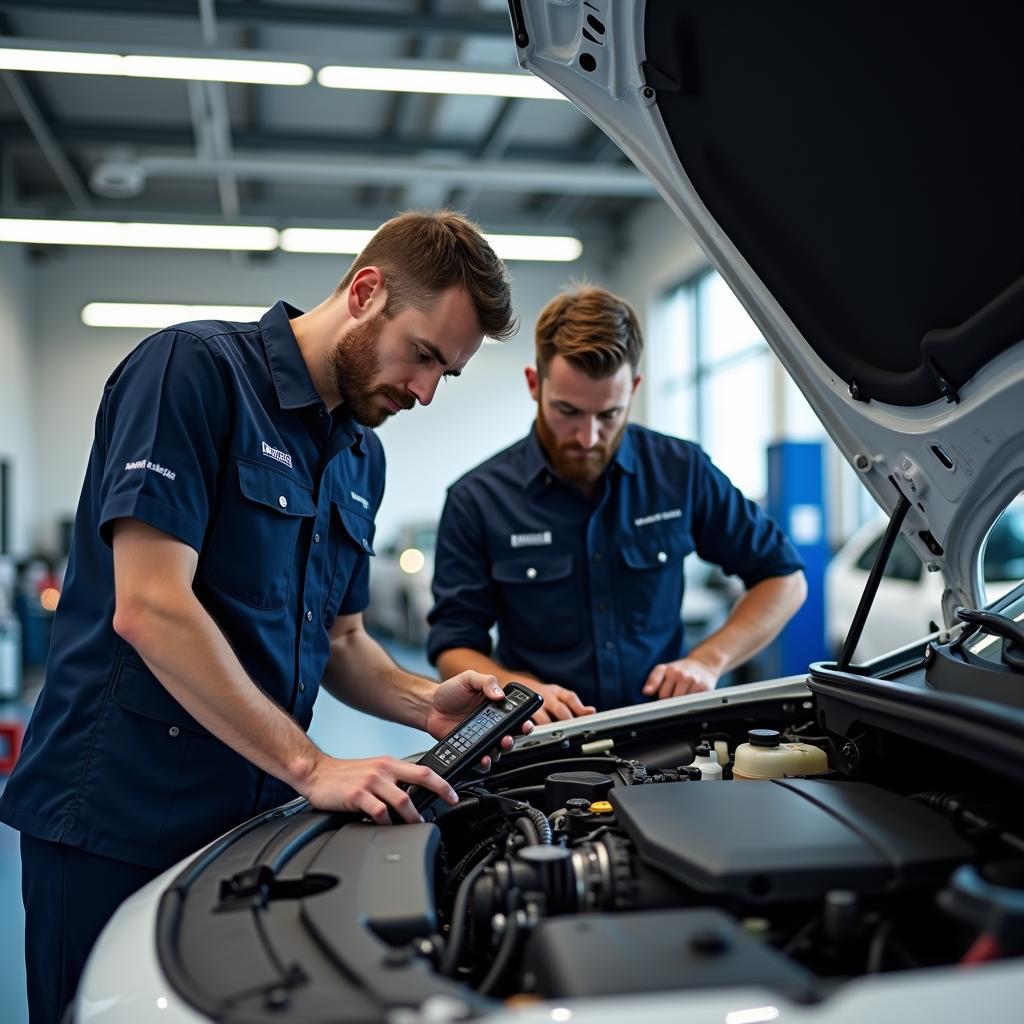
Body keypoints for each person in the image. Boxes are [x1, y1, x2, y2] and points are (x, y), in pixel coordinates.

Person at [0, 210, 529, 1023]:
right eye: (424, 355)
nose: (425, 392)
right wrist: (315, 767)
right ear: (364, 292)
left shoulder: (360, 453)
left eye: (445, 376)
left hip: (247, 826)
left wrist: (429, 704)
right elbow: (149, 605)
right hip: (114, 821)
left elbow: (344, 640)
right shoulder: (193, 371)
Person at [427, 285, 807, 724]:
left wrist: (709, 660)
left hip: (663, 735)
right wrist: (514, 686)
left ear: (634, 389)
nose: (587, 438)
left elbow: (785, 578)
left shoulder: (680, 470)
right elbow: (453, 644)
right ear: (535, 384)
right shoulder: (478, 499)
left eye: (609, 414)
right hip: (542, 743)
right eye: (567, 411)